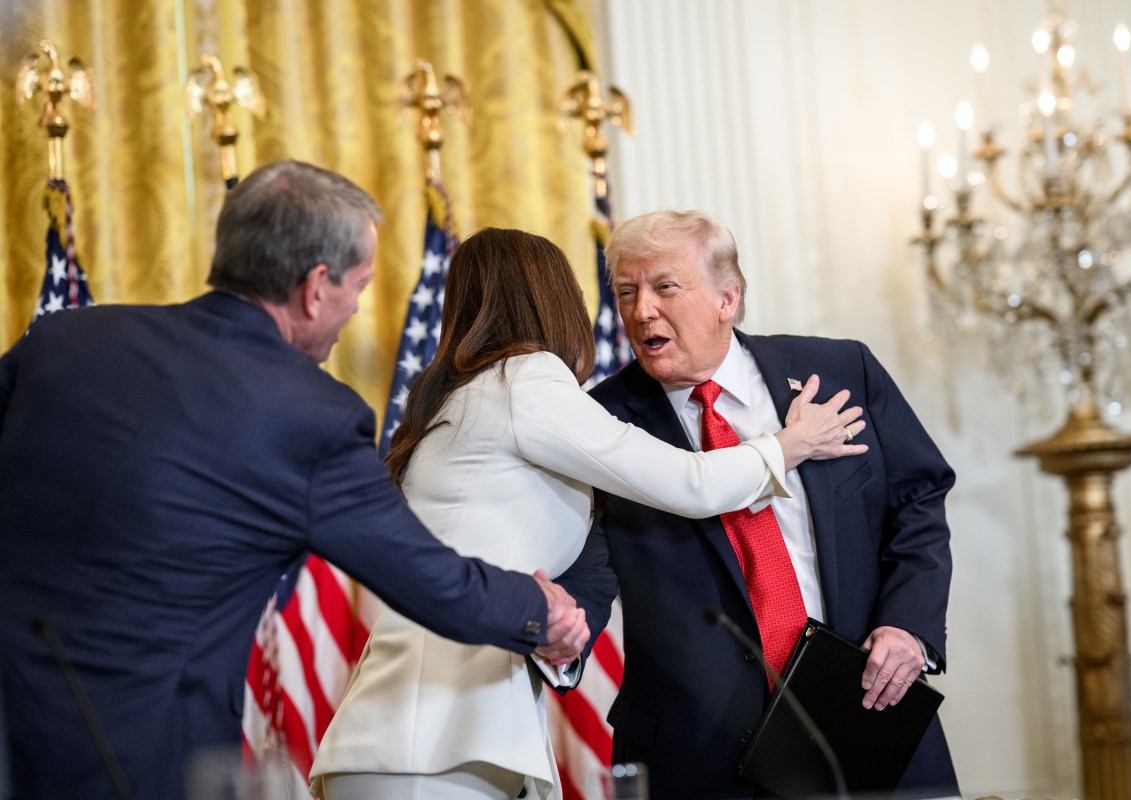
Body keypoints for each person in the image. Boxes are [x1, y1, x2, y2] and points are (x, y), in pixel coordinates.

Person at [0, 160, 589, 800]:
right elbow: (434, 582)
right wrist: (543, 610)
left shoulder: (62, 341)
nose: (354, 308)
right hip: (142, 758)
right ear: (315, 288)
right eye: (358, 287)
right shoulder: (308, 415)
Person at [309, 227, 867, 800]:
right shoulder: (523, 379)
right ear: (554, 298)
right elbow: (689, 482)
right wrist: (790, 444)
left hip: (420, 738)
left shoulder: (458, 398)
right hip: (434, 742)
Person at [556, 210, 959, 799]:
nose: (642, 311)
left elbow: (918, 498)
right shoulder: (600, 422)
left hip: (867, 713)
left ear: (728, 298)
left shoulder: (839, 372)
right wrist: (560, 636)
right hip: (697, 754)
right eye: (625, 292)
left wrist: (908, 626)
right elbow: (587, 564)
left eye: (665, 287)